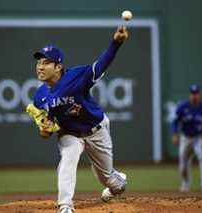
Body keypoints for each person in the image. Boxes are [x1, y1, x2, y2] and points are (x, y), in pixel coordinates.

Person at [31, 27, 129, 213]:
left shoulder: (76, 76)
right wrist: (45, 129)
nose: (40, 67)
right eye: (38, 63)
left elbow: (101, 64)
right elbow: (47, 129)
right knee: (69, 156)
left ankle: (118, 179)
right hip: (70, 133)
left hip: (96, 129)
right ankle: (65, 205)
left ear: (58, 67)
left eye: (46, 63)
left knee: (110, 181)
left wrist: (116, 42)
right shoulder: (40, 96)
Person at [171, 84, 202, 192]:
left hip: (199, 138)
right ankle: (185, 184)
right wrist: (174, 134)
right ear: (189, 95)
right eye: (192, 94)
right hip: (185, 138)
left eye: (196, 93)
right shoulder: (183, 107)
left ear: (199, 95)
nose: (194, 96)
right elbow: (174, 122)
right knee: (183, 164)